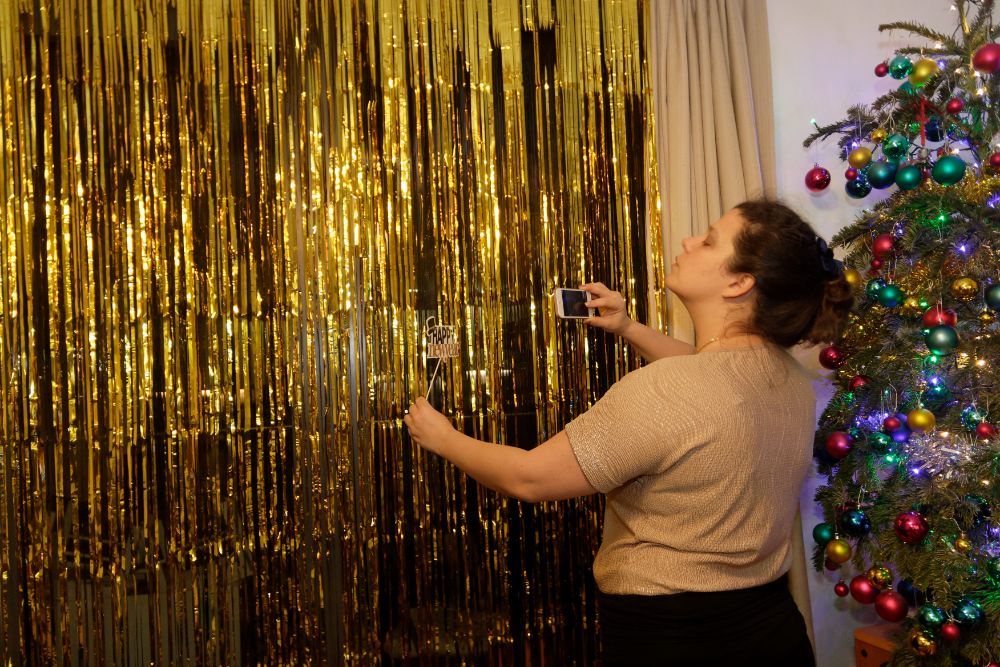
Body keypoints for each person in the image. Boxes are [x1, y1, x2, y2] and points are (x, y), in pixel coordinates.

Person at [403, 199, 853, 665]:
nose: (688, 242)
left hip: (673, 641)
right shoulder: (789, 378)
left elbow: (529, 478)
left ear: (739, 283)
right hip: (775, 632)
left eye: (708, 241)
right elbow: (715, 377)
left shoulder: (666, 391)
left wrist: (445, 438)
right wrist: (627, 327)